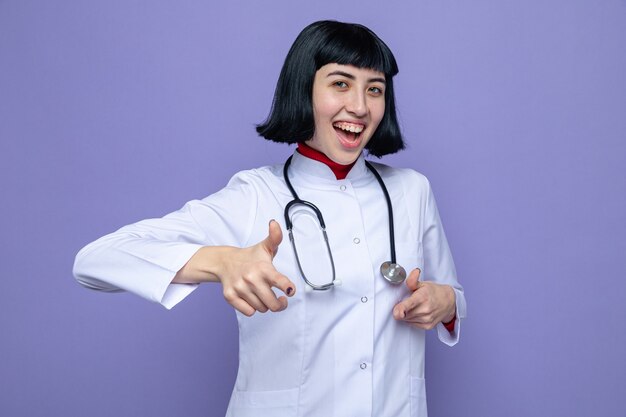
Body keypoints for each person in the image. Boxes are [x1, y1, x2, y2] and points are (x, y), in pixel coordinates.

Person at [74, 20, 466, 417]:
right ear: (303, 89)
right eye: (341, 84)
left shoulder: (412, 191)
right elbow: (94, 261)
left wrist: (446, 303)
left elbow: (451, 294)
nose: (361, 107)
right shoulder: (255, 194)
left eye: (375, 89)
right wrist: (220, 261)